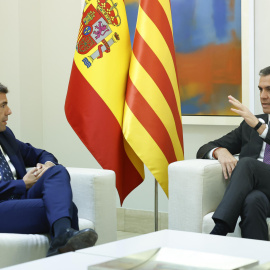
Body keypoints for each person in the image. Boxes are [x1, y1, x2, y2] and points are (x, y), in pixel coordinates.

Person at [0, 83, 98, 256]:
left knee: (57, 171)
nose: (9, 111)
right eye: (2, 105)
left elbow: (43, 154)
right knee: (69, 209)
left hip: (20, 199)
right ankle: (60, 245)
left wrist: (47, 165)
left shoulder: (5, 135)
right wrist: (22, 184)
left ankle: (60, 240)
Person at [197, 66, 270, 241]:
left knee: (246, 164)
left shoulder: (255, 124)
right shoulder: (249, 125)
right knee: (253, 201)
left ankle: (219, 230)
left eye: (269, 89)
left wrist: (260, 127)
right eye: (261, 89)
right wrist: (219, 151)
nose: (263, 96)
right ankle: (258, 261)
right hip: (262, 193)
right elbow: (205, 148)